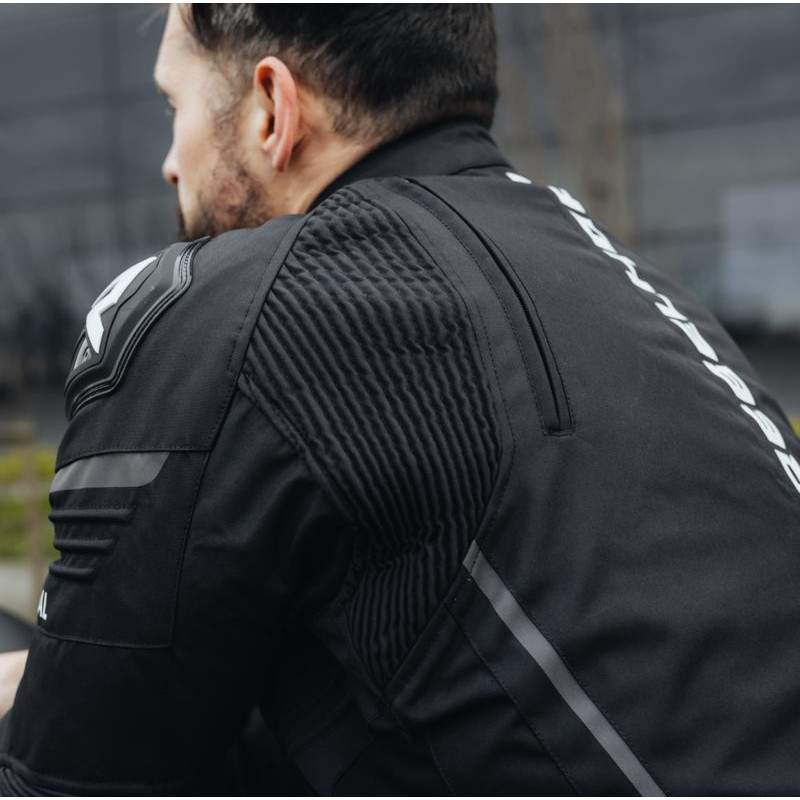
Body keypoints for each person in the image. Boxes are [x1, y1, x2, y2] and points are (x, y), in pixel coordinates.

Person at [1, 3, 800, 795]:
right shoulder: (653, 304)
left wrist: (48, 711)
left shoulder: (249, 311)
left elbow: (72, 779)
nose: (170, 164)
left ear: (273, 108)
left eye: (174, 105)